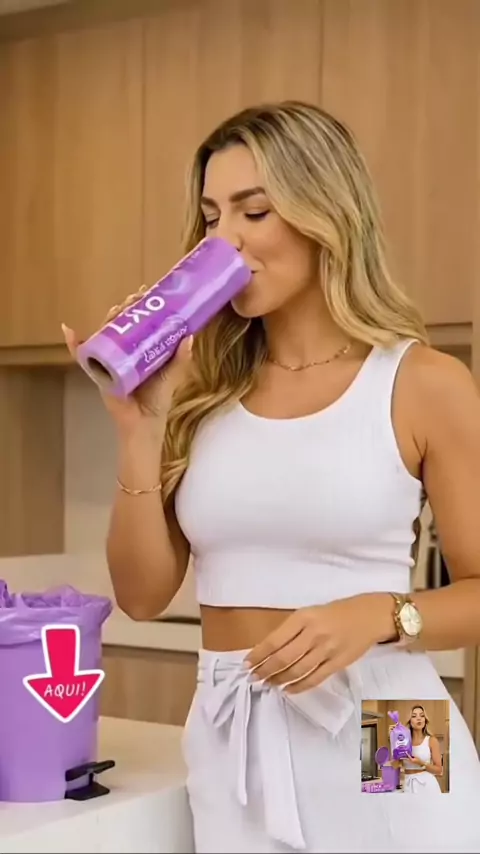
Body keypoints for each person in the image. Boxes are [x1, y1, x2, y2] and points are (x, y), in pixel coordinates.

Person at [63, 100, 480, 852]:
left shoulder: (422, 382)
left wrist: (379, 615)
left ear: (327, 215)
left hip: (390, 715)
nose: (224, 239)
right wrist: (139, 429)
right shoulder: (201, 390)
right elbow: (142, 596)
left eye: (254, 212)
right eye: (211, 217)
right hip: (233, 723)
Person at [401, 704, 444, 794]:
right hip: (408, 785)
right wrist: (393, 738)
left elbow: (439, 770)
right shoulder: (403, 741)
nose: (419, 718)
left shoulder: (431, 740)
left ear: (425, 720)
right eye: (414, 716)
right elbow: (394, 765)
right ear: (410, 721)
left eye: (422, 715)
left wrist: (421, 763)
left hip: (427, 786)